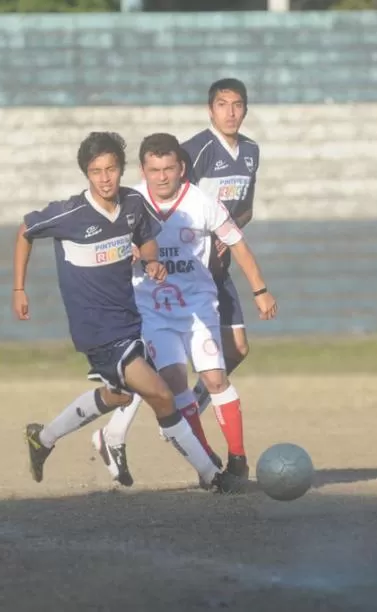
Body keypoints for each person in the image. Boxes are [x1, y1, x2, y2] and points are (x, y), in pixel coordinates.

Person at [15, 131, 226, 493]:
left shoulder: (132, 204)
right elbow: (25, 231)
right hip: (96, 329)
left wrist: (152, 259)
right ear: (86, 174)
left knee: (120, 396)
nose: (105, 177)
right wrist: (19, 288)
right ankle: (211, 474)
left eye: (111, 169)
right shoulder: (70, 213)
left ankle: (44, 438)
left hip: (130, 320)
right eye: (96, 171)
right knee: (160, 394)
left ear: (121, 170)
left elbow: (146, 236)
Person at [90, 133, 277, 490]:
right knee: (174, 382)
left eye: (169, 169)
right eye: (154, 169)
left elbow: (238, 244)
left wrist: (261, 290)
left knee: (215, 379)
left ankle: (238, 457)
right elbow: (101, 252)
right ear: (143, 170)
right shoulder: (126, 204)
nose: (161, 177)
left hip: (197, 307)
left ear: (182, 168)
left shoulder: (202, 203)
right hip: (151, 311)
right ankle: (205, 460)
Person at [182, 77, 260, 481]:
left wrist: (229, 230)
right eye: (223, 104)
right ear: (210, 110)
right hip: (190, 271)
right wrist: (208, 234)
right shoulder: (194, 151)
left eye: (238, 105)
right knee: (169, 364)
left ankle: (192, 406)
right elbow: (174, 207)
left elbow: (245, 208)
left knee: (239, 349)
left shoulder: (250, 152)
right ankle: (118, 434)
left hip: (221, 269)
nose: (231, 112)